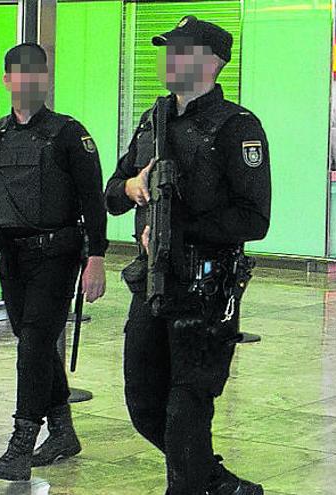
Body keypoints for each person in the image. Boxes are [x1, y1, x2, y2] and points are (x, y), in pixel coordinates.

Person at [104, 16, 270, 495]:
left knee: (186, 409)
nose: (169, 58)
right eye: (166, 49)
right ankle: (217, 482)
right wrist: (132, 187)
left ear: (213, 62)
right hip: (151, 284)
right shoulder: (151, 121)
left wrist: (178, 229)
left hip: (205, 289)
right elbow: (112, 193)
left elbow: (254, 219)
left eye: (182, 50)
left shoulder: (237, 127)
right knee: (144, 406)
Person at [0, 43, 108, 481]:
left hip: (56, 257)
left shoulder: (68, 135)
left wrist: (96, 257)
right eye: (18, 75)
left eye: (36, 75)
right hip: (11, 258)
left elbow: (92, 201)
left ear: (45, 80)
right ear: (7, 81)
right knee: (34, 344)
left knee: (34, 345)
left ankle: (21, 444)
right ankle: (62, 431)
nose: (27, 83)